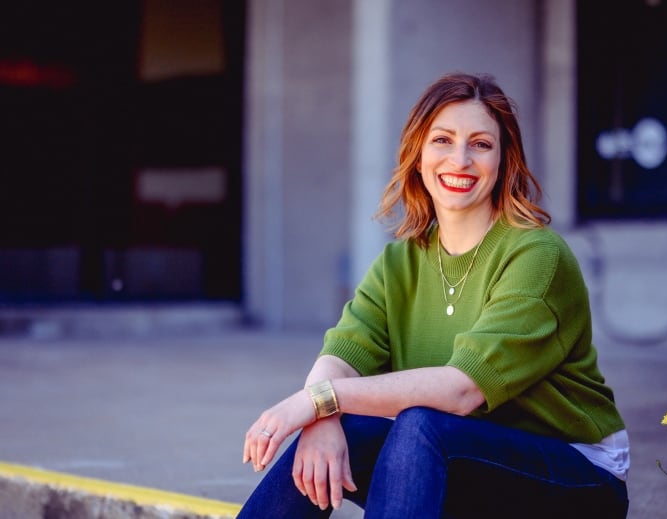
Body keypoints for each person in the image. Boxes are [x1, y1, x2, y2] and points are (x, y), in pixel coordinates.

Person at [238, 72, 630, 518]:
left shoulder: (536, 255)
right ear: (419, 156)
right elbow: (342, 356)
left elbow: (463, 391)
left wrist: (314, 402)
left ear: (504, 161)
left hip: (575, 478)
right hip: (470, 461)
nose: (459, 159)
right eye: (443, 140)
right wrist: (323, 419)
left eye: (480, 144)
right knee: (339, 434)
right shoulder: (400, 263)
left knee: (421, 425)